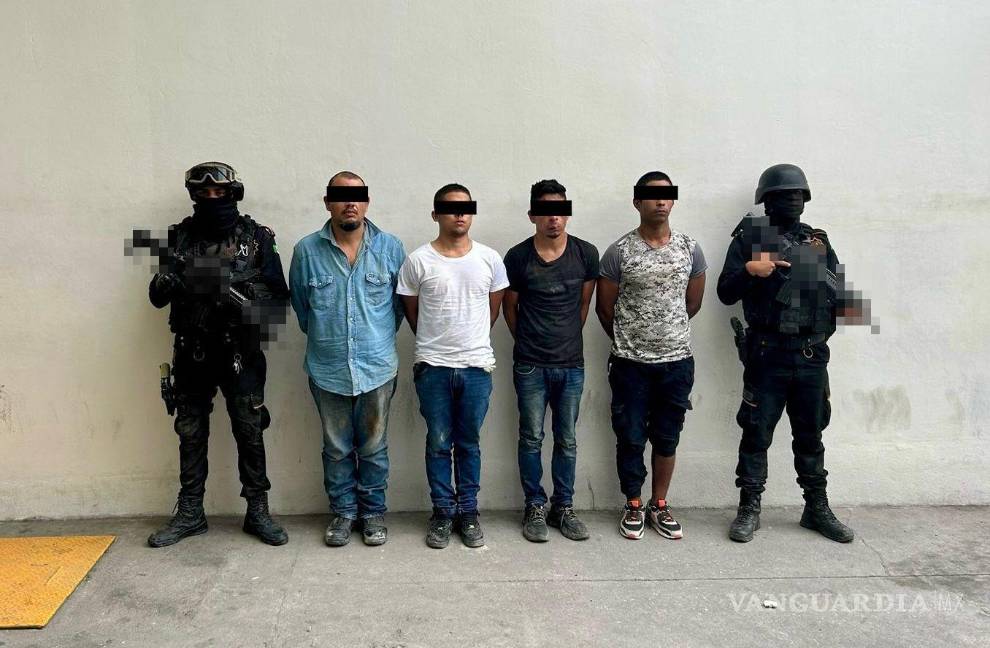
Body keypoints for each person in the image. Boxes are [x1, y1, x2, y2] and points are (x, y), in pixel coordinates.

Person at [147, 161, 290, 547]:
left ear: (233, 193)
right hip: (192, 352)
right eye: (204, 192)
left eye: (219, 192)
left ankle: (258, 510)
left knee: (249, 430)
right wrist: (167, 281)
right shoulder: (178, 238)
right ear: (194, 195)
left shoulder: (257, 238)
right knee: (190, 432)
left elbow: (279, 299)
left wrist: (236, 298)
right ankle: (190, 512)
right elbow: (156, 296)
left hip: (240, 352)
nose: (212, 198)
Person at [717, 163, 857, 543]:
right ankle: (749, 508)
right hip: (767, 355)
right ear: (768, 200)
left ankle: (816, 508)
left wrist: (821, 318)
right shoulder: (751, 238)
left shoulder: (818, 242)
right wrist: (751, 271)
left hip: (810, 356)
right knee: (756, 434)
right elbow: (725, 292)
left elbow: (842, 299)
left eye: (799, 194)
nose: (794, 200)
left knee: (810, 435)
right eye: (785, 195)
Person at [289, 171, 405, 547]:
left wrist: (375, 340)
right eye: (340, 196)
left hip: (377, 367)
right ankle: (343, 512)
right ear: (328, 203)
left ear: (367, 203)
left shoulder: (391, 248)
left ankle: (372, 513)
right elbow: (303, 311)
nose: (349, 203)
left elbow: (399, 309)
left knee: (374, 447)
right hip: (328, 368)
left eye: (357, 196)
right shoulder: (306, 252)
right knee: (336, 448)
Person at [397, 184, 509, 549]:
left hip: (476, 367)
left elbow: (493, 310)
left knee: (469, 444)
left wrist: (470, 342)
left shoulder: (490, 259)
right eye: (449, 207)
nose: (459, 213)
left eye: (465, 207)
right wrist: (437, 344)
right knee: (438, 443)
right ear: (435, 214)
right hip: (433, 367)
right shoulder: (418, 261)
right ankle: (443, 513)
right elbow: (412, 313)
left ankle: (469, 513)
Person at [596, 171, 706, 540]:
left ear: (672, 201)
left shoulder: (690, 249)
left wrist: (665, 333)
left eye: (666, 195)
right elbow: (604, 309)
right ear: (637, 202)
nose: (660, 201)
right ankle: (633, 503)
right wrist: (632, 341)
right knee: (630, 436)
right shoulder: (619, 251)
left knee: (667, 436)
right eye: (652, 195)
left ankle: (659, 504)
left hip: (676, 362)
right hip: (630, 364)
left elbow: (692, 304)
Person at [502, 179, 599, 542]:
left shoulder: (586, 254)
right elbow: (509, 308)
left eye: (559, 211)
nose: (553, 218)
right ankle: (534, 506)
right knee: (531, 438)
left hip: (571, 364)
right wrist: (531, 341)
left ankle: (564, 507)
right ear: (532, 216)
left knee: (567, 439)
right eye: (545, 212)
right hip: (530, 364)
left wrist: (564, 340)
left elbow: (583, 305)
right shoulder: (517, 257)